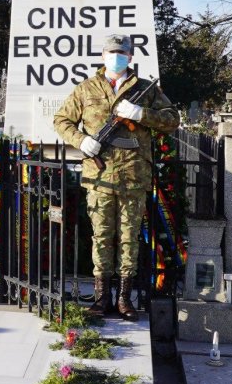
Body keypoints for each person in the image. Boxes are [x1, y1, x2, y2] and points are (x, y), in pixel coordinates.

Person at [53, 33, 179, 321]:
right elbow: (61, 120)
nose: (116, 57)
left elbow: (172, 120)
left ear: (130, 57)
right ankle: (101, 297)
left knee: (128, 239)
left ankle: (124, 298)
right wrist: (81, 140)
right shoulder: (86, 89)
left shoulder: (145, 90)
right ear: (103, 56)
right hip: (99, 177)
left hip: (134, 176)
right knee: (101, 237)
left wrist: (141, 113)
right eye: (111, 52)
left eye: (122, 53)